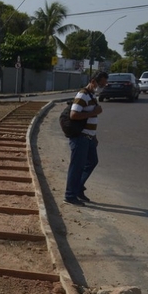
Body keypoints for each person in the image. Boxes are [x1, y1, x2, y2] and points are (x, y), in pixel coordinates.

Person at [63, 71, 108, 206]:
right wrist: (94, 112)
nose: (103, 86)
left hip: (89, 137)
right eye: (101, 84)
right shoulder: (83, 94)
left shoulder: (92, 94)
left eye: (105, 84)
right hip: (80, 137)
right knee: (77, 166)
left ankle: (78, 188)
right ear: (93, 81)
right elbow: (74, 115)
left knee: (92, 161)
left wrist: (94, 136)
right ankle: (70, 195)